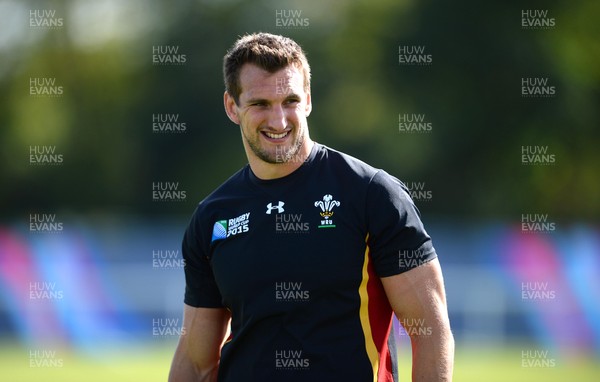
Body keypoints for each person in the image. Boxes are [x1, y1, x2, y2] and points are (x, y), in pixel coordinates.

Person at [168, 32, 454, 382]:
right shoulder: (212, 217)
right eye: (260, 104)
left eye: (289, 101)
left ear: (307, 101)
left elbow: (431, 329)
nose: (279, 120)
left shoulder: (371, 194)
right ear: (232, 106)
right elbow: (197, 362)